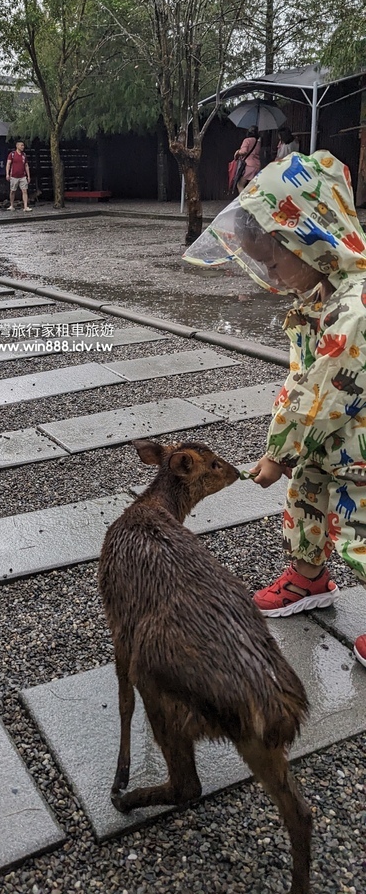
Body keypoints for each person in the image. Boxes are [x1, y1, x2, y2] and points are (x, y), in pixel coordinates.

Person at [183, 150, 366, 669]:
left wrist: (279, 452)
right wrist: (289, 455)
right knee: (306, 493)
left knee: (361, 524)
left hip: (357, 443)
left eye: (273, 259)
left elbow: (321, 393)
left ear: (311, 236)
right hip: (324, 437)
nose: (270, 274)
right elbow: (303, 384)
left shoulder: (357, 307)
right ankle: (307, 578)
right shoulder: (321, 294)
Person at [6, 139, 32, 211]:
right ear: (17, 146)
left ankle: (25, 206)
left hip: (22, 176)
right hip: (14, 176)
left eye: (23, 145)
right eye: (21, 145)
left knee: (24, 191)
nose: (23, 147)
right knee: (12, 191)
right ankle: (11, 205)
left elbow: (26, 165)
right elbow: (8, 164)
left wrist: (28, 176)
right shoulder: (12, 154)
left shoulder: (24, 155)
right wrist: (7, 174)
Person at [234, 126, 261, 193]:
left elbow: (244, 151)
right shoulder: (258, 142)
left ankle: (244, 199)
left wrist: (238, 152)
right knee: (251, 186)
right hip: (256, 165)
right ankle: (251, 200)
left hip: (248, 165)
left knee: (240, 184)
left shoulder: (247, 140)